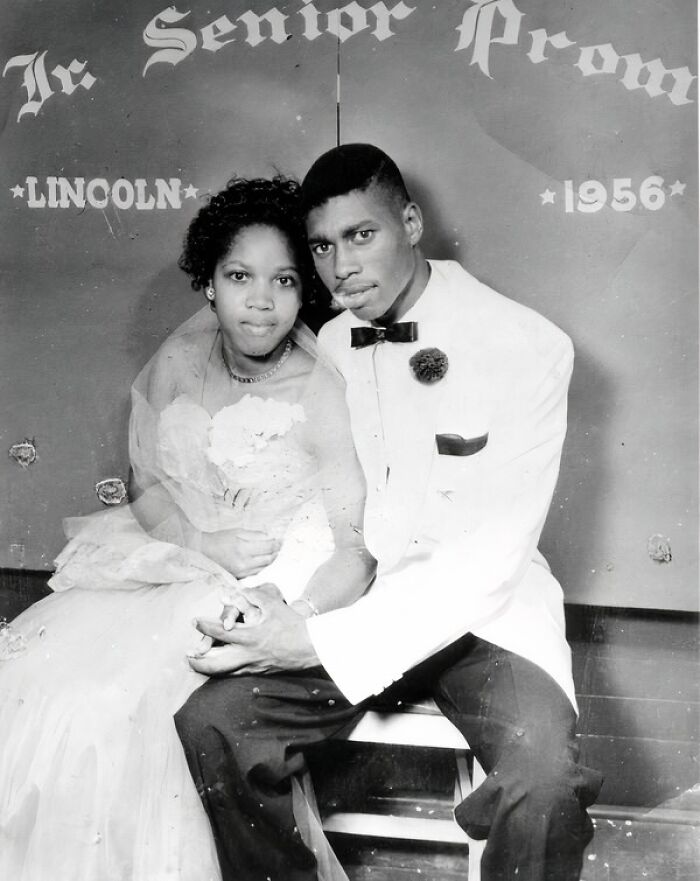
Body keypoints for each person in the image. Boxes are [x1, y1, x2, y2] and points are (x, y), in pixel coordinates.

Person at [177, 145, 603, 881]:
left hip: (485, 623)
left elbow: (484, 563)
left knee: (545, 784)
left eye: (362, 235)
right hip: (365, 602)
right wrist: (296, 602)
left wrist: (311, 639)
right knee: (214, 722)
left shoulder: (527, 345)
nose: (340, 266)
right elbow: (346, 515)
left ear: (410, 221)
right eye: (322, 246)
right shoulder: (338, 341)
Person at [0, 175, 374, 881]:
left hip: (262, 584)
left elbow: (353, 543)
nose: (260, 300)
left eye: (285, 280)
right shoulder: (179, 359)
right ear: (209, 282)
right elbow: (147, 484)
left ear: (306, 291)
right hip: (169, 560)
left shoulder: (323, 389)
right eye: (240, 276)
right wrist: (198, 542)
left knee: (117, 711)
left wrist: (287, 615)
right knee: (35, 686)